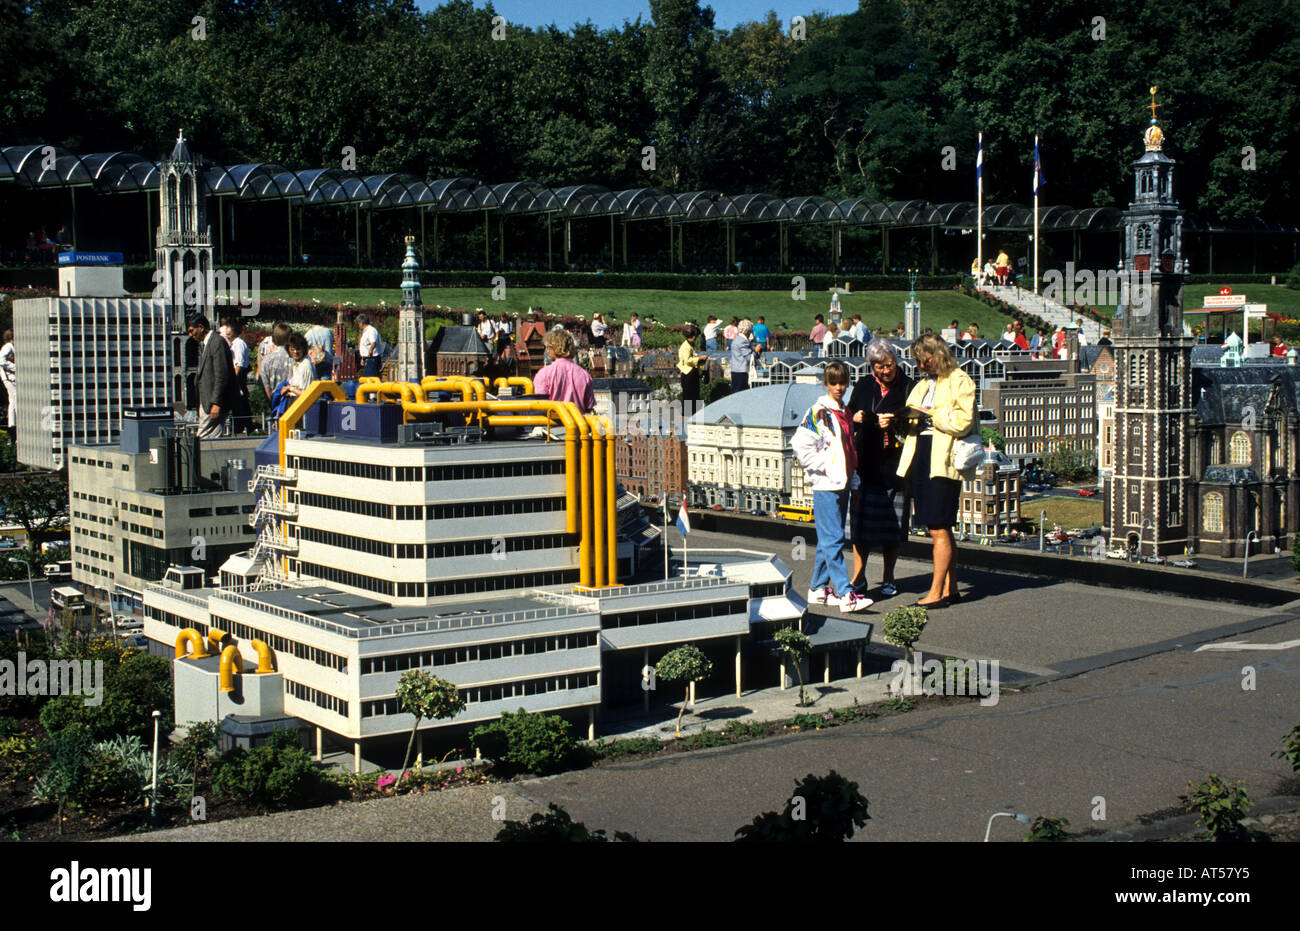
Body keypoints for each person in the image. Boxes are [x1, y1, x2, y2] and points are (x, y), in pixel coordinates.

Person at [897, 334, 975, 608]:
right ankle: (950, 589)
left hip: (942, 458)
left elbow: (964, 422)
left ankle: (936, 592)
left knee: (938, 528)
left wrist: (932, 415)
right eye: (918, 361)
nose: (920, 366)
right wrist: (899, 421)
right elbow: (910, 417)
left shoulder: (960, 380)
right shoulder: (922, 384)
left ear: (938, 355)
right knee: (939, 527)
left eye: (924, 360)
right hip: (921, 455)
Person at [791, 362, 872, 614]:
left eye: (843, 382)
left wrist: (853, 479)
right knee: (833, 539)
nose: (839, 387)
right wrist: (825, 467)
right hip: (826, 484)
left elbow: (849, 448)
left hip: (843, 483)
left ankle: (817, 588)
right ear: (826, 383)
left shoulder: (844, 411)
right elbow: (800, 445)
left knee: (829, 540)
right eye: (834, 382)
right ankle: (846, 594)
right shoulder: (817, 412)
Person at [848, 339, 913, 599]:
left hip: (894, 468)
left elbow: (917, 424)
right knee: (859, 528)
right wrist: (854, 417)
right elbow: (848, 413)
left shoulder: (910, 387)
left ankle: (889, 577)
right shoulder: (864, 384)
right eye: (878, 367)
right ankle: (859, 577)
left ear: (896, 361)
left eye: (888, 365)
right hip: (865, 465)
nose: (885, 371)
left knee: (892, 529)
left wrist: (896, 424)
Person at [190, 314, 237, 438]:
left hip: (213, 404)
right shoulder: (207, 344)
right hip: (207, 403)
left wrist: (216, 403)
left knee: (203, 440)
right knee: (206, 439)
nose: (191, 335)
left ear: (200, 327)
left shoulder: (216, 342)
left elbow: (222, 375)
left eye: (192, 330)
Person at [533, 328, 595, 412]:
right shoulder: (585, 375)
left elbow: (540, 406)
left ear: (551, 348)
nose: (547, 351)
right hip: (579, 423)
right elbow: (589, 406)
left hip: (551, 423)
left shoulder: (543, 374)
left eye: (548, 347)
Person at [223, 317, 252, 434]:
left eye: (229, 333)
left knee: (240, 407)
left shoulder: (238, 344)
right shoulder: (235, 344)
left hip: (238, 379)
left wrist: (232, 382)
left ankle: (242, 428)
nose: (227, 335)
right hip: (238, 378)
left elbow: (238, 365)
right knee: (238, 407)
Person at [257, 322, 293, 405]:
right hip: (294, 404)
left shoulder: (266, 361)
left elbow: (266, 387)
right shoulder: (295, 358)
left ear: (274, 339)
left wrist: (273, 404)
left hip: (275, 403)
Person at [677, 324, 709, 403]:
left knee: (695, 395)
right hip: (688, 373)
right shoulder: (686, 346)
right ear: (694, 336)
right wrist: (700, 358)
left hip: (692, 371)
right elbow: (688, 360)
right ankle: (689, 414)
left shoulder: (690, 345)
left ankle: (696, 413)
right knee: (689, 396)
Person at [729, 319, 760, 392]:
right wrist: (756, 350)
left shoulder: (736, 339)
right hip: (741, 371)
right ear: (748, 331)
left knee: (735, 392)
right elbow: (749, 357)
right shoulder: (743, 341)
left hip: (735, 370)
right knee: (741, 394)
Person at [357, 313, 383, 378]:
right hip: (367, 358)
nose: (358, 325)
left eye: (358, 323)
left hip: (372, 359)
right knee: (368, 378)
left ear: (361, 323)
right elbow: (365, 346)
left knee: (371, 379)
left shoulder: (371, 330)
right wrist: (363, 358)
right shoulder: (365, 331)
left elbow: (373, 342)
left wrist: (370, 351)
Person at [0, 331, 15, 429]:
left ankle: (13, 423)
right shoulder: (8, 346)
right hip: (8, 378)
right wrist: (15, 367)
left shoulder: (9, 347)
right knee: (14, 398)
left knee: (14, 399)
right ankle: (12, 424)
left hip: (10, 377)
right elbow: (1, 360)